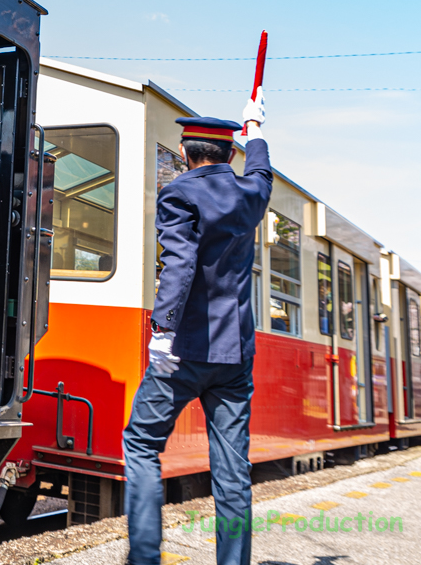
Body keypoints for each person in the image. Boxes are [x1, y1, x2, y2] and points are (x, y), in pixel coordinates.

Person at [122, 92, 271, 565]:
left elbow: (180, 266)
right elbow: (262, 172)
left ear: (186, 154)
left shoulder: (180, 193)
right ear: (231, 154)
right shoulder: (251, 195)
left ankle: (145, 557)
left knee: (142, 443)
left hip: (183, 351)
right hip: (235, 356)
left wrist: (162, 330)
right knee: (232, 469)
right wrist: (257, 127)